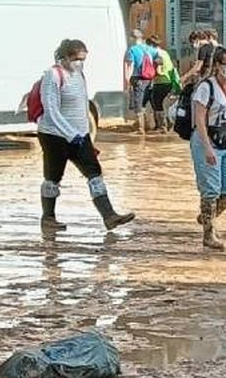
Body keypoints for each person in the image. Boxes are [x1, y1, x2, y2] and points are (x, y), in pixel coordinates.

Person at [36, 38, 135, 233]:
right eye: (76, 59)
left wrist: (84, 134)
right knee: (53, 177)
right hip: (54, 136)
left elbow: (81, 107)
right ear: (64, 57)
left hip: (80, 136)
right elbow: (52, 111)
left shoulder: (79, 74)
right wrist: (70, 134)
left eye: (83, 59)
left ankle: (109, 216)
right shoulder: (52, 76)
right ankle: (48, 218)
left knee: (94, 174)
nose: (80, 62)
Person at [188, 43, 226, 251]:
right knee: (210, 189)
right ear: (218, 65)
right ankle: (209, 234)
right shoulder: (206, 87)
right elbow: (200, 120)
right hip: (207, 140)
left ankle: (207, 216)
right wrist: (207, 149)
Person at [124, 30, 157, 137]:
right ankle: (149, 124)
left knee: (138, 103)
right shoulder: (150, 49)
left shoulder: (132, 50)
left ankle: (141, 128)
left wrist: (127, 81)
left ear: (132, 38)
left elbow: (130, 66)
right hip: (149, 79)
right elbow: (159, 60)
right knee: (144, 102)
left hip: (138, 79)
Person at [147, 36, 179, 130]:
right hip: (168, 81)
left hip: (160, 81)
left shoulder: (156, 54)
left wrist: (152, 74)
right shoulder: (164, 52)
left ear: (151, 45)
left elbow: (158, 69)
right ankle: (164, 123)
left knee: (157, 104)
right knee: (159, 103)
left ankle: (162, 125)